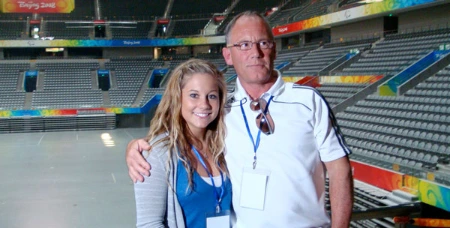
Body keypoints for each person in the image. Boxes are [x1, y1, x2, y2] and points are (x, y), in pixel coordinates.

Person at [127, 11, 353, 228]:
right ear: (228, 55)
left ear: (273, 49)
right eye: (244, 45)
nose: (255, 52)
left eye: (263, 43)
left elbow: (339, 170)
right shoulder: (223, 109)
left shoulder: (308, 101)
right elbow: (181, 132)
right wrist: (138, 147)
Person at [133, 59, 232, 228]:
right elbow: (149, 224)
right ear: (177, 98)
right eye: (194, 95)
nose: (204, 104)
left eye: (212, 96)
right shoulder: (157, 153)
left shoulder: (226, 143)